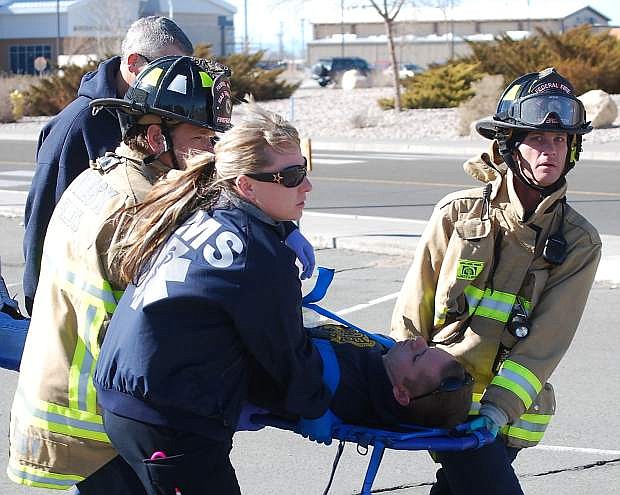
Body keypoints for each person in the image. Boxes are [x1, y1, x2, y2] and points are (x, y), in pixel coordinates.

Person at [9, 56, 233, 494]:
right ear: (154, 136)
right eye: (201, 138)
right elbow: (163, 329)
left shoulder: (102, 174)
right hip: (94, 427)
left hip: (73, 409)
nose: (211, 151)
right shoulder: (138, 209)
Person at [93, 103, 333, 495]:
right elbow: (285, 355)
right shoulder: (259, 256)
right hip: (168, 423)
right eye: (291, 176)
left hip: (129, 399)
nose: (306, 186)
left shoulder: (201, 211)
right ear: (246, 186)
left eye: (303, 169)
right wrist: (317, 405)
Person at [390, 67, 602, 495]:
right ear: (508, 145)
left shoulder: (579, 242)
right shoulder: (457, 214)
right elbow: (413, 311)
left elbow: (546, 342)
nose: (551, 150)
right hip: (439, 397)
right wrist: (403, 382)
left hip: (502, 416)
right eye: (538, 139)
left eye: (561, 140)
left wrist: (497, 410)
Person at [23, 16, 193, 315]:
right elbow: (45, 221)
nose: (177, 83)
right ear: (133, 63)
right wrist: (40, 306)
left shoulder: (164, 117)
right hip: (87, 307)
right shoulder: (76, 127)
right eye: (167, 70)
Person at [251, 323, 474, 429]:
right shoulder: (382, 364)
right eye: (427, 347)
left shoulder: (344, 388)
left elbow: (270, 345)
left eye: (418, 356)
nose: (418, 341)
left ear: (401, 394)